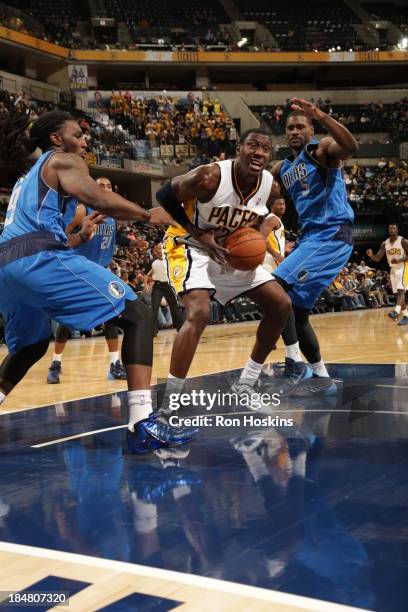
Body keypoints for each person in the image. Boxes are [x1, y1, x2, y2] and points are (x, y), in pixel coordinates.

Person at [0, 108, 196, 452]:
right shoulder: (61, 159)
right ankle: (142, 424)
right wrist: (148, 214)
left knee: (31, 345)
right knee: (137, 315)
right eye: (77, 134)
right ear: (56, 139)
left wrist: (79, 237)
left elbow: (36, 233)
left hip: (7, 263)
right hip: (37, 258)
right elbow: (96, 196)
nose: (84, 140)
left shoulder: (26, 177)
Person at [156, 128, 291, 405]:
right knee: (200, 311)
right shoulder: (209, 177)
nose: (259, 153)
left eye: (265, 148)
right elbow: (163, 195)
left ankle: (246, 383)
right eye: (252, 145)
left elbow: (253, 220)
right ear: (238, 149)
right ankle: (170, 401)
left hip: (225, 249)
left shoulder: (270, 187)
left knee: (281, 305)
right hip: (188, 244)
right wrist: (197, 232)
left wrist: (246, 237)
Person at [270, 97, 358, 392]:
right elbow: (253, 182)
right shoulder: (282, 167)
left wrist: (320, 114)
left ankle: (294, 361)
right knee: (297, 313)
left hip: (332, 234)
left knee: (273, 288)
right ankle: (322, 378)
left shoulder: (321, 151)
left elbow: (350, 147)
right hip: (312, 238)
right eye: (290, 127)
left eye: (300, 126)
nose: (295, 131)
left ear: (310, 130)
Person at [47, 176, 127, 384]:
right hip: (78, 271)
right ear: (93, 188)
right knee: (67, 321)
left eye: (109, 186)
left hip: (101, 270)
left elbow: (111, 242)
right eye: (101, 186)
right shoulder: (82, 210)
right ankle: (55, 363)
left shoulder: (114, 215)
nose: (106, 188)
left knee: (111, 317)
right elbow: (61, 235)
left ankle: (114, 364)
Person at [366, 223, 408, 325]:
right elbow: (378, 258)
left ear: (397, 230)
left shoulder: (403, 241)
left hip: (404, 267)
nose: (391, 229)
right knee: (396, 294)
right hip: (393, 269)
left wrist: (399, 260)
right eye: (390, 228)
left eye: (394, 227)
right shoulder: (385, 243)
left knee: (401, 290)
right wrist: (371, 255)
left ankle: (396, 312)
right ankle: (406, 316)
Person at [146, 243, 183, 336]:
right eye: (158, 248)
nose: (160, 250)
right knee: (154, 308)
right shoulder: (152, 262)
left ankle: (180, 328)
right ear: (155, 251)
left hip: (169, 286)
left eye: (161, 248)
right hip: (157, 287)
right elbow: (145, 275)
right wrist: (146, 285)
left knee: (174, 307)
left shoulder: (169, 259)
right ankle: (152, 331)